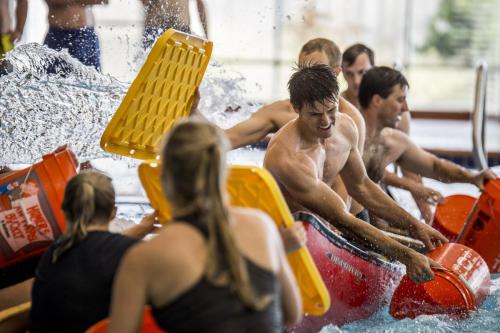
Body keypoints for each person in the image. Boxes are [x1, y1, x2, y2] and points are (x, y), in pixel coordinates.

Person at [108, 120, 302, 333]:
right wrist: (278, 251)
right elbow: (293, 313)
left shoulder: (143, 258)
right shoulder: (262, 227)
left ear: (163, 178)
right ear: (223, 174)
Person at [264, 64, 448, 283]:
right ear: (296, 108)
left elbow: (361, 186)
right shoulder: (288, 158)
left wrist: (416, 226)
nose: (326, 122)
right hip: (296, 247)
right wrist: (407, 256)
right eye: (315, 114)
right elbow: (342, 219)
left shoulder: (345, 127)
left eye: (331, 110)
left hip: (334, 235)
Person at [224, 38, 368, 221]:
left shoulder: (351, 120)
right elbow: (227, 138)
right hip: (305, 218)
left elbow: (349, 186)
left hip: (347, 219)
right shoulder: (280, 110)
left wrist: (335, 229)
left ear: (335, 73)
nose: (308, 76)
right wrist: (193, 113)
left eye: (316, 69)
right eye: (302, 69)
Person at [30, 171, 156, 333]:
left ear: (65, 210)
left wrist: (141, 230)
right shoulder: (129, 253)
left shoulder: (53, 253)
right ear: (113, 212)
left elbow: (96, 249)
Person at [359, 66, 496, 201]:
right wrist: (417, 220)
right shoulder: (352, 139)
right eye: (400, 100)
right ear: (377, 100)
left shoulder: (392, 141)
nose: (405, 108)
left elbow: (435, 167)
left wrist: (472, 177)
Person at [342, 43, 441, 224]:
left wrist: (429, 220)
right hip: (347, 191)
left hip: (374, 187)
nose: (356, 81)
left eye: (362, 73)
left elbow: (409, 167)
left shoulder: (398, 114)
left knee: (394, 221)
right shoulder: (339, 112)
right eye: (349, 74)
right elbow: (359, 170)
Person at [44, 0, 108, 70]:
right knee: (55, 76)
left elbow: (104, 1)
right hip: (60, 35)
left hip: (88, 34)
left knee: (93, 78)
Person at [142, 0, 208, 49]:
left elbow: (200, 5)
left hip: (177, 29)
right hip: (157, 28)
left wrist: (206, 37)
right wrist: (206, 36)